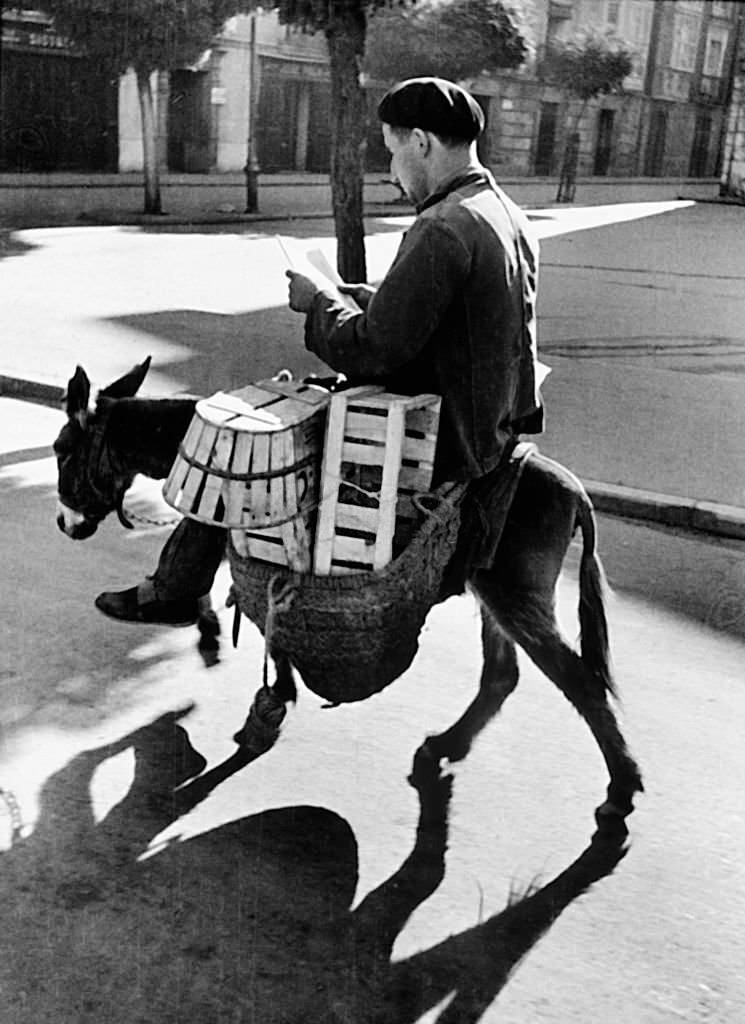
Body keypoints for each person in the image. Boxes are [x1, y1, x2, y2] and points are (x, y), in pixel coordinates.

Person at [95, 77, 543, 626]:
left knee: (238, 448)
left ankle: (178, 590)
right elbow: (462, 323)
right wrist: (368, 299)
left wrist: (315, 303)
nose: (393, 168)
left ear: (422, 142)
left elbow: (375, 351)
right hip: (492, 423)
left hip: (445, 437)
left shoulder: (441, 227)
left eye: (393, 149)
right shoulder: (503, 214)